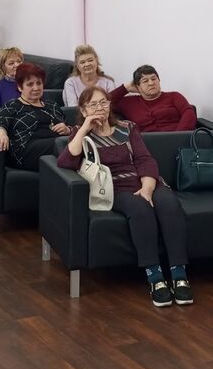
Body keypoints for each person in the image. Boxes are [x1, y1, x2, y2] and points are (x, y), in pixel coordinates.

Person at [58, 86, 193, 307]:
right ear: (83, 109)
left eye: (103, 102)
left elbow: (145, 159)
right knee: (140, 209)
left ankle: (179, 273)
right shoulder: (80, 134)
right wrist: (84, 129)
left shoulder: (127, 127)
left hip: (145, 181)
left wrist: (147, 187)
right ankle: (155, 276)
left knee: (169, 204)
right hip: (115, 187)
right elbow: (65, 162)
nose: (100, 108)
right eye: (93, 104)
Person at [0, 62, 69, 171]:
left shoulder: (52, 106)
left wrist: (67, 130)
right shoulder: (13, 105)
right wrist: (1, 133)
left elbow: (68, 127)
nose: (36, 88)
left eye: (39, 83)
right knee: (64, 144)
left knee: (72, 142)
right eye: (30, 84)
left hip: (55, 147)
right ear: (20, 87)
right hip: (26, 150)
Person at [108, 65, 196, 132]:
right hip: (146, 144)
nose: (151, 83)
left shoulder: (174, 96)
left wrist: (178, 136)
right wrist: (125, 88)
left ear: (159, 80)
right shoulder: (129, 103)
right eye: (145, 81)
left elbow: (188, 112)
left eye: (154, 79)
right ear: (138, 87)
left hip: (177, 140)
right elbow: (104, 102)